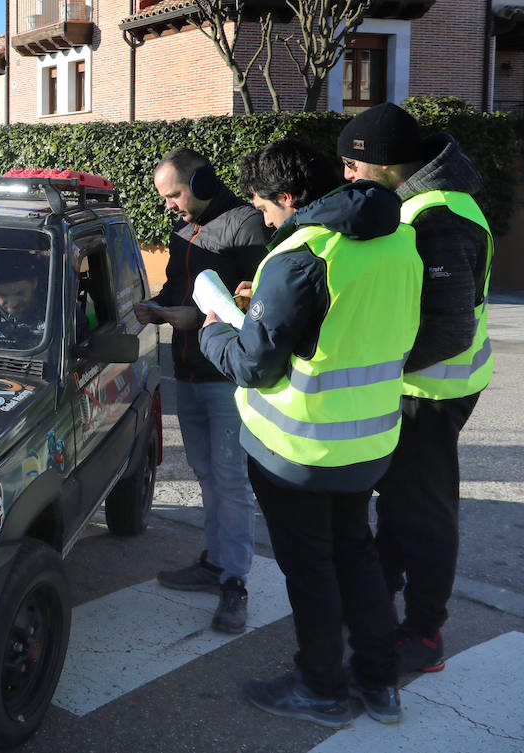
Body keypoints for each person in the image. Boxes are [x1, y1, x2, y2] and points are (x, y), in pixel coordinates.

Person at [199, 138, 422, 727]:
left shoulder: (301, 254)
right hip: (369, 443)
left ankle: (320, 688)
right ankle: (379, 682)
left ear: (290, 196)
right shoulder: (400, 239)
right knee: (358, 555)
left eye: (266, 206)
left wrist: (214, 332)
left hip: (295, 450)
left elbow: (253, 364)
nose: (265, 218)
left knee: (312, 569)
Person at [337, 103, 494, 674]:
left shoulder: (438, 217)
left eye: (353, 167)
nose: (348, 178)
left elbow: (450, 329)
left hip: (431, 392)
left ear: (384, 163)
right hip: (423, 387)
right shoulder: (420, 204)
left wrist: (384, 365)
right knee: (402, 502)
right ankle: (380, 595)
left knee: (426, 513)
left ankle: (425, 635)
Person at [133, 148, 270, 634]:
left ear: (205, 181)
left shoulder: (245, 225)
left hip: (226, 378)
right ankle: (214, 562)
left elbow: (248, 305)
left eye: (174, 194)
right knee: (207, 473)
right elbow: (176, 288)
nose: (169, 205)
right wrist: (154, 306)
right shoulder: (183, 230)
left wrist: (177, 317)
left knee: (231, 480)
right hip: (188, 371)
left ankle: (235, 581)